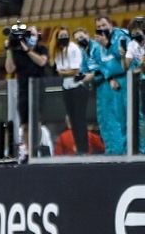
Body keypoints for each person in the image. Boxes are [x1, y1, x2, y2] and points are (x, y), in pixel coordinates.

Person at [4, 24, 48, 160]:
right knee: (25, 123)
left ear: (38, 36)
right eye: (28, 34)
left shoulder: (41, 49)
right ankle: (28, 150)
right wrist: (9, 50)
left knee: (36, 121)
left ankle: (36, 148)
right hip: (22, 89)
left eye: (33, 34)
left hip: (37, 88)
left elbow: (42, 62)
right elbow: (9, 69)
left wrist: (28, 50)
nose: (30, 37)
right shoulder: (17, 51)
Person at [91, 15, 130, 154]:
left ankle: (136, 151)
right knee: (117, 119)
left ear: (111, 25)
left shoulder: (121, 35)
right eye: (99, 27)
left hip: (128, 79)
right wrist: (109, 77)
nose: (102, 29)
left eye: (104, 25)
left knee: (131, 117)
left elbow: (125, 56)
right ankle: (119, 152)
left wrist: (107, 44)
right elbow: (99, 64)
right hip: (112, 82)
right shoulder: (97, 44)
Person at [52, 26, 89, 154]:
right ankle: (79, 148)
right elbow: (58, 71)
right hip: (66, 87)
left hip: (77, 87)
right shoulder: (57, 51)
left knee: (80, 119)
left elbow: (75, 70)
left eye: (65, 35)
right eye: (60, 36)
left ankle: (83, 149)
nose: (63, 38)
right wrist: (66, 72)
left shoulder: (73, 48)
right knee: (72, 120)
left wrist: (65, 72)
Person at [123, 17, 144, 153]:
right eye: (134, 32)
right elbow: (126, 65)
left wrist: (140, 66)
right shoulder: (132, 44)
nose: (137, 35)